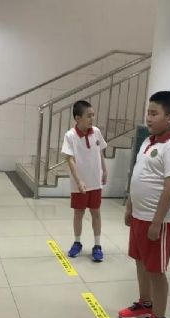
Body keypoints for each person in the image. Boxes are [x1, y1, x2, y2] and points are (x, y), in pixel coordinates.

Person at [118, 91, 170, 318]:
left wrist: (157, 222)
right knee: (140, 260)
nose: (148, 117)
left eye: (154, 113)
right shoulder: (149, 142)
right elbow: (138, 175)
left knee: (156, 270)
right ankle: (145, 303)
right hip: (140, 215)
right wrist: (130, 206)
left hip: (158, 220)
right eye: (148, 112)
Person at [61, 100, 108, 262]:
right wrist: (79, 180)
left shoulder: (96, 132)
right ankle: (77, 242)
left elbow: (100, 152)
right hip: (79, 184)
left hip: (95, 181)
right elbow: (70, 159)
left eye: (93, 115)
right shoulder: (70, 136)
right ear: (77, 118)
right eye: (89, 116)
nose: (92, 118)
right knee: (79, 213)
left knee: (96, 212)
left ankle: (97, 245)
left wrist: (105, 170)